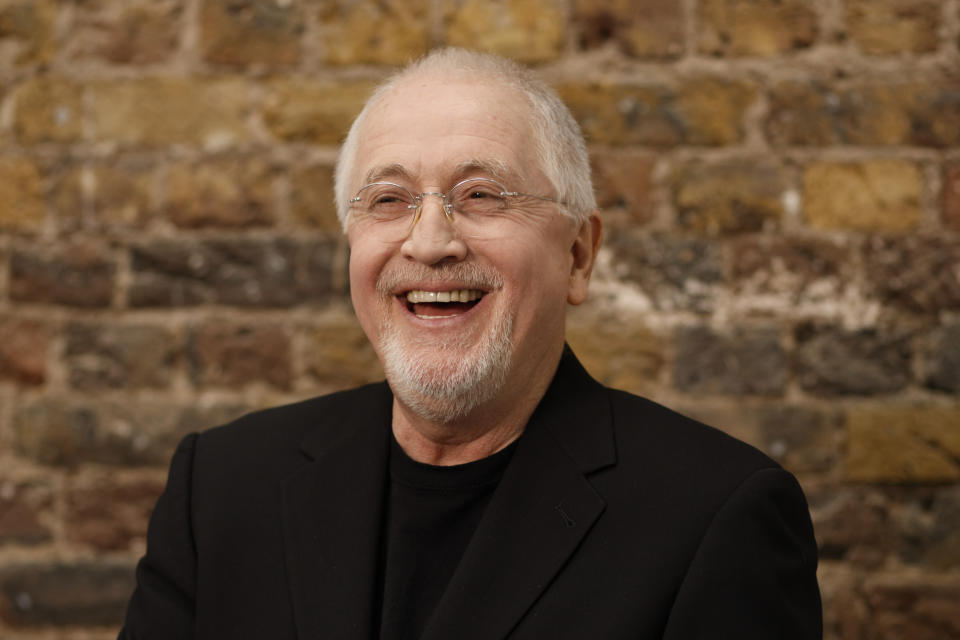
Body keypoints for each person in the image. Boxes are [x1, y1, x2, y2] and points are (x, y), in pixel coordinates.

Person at [120, 48, 821, 639]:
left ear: (578, 255)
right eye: (388, 200)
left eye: (481, 195)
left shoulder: (716, 516)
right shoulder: (221, 488)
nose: (430, 243)